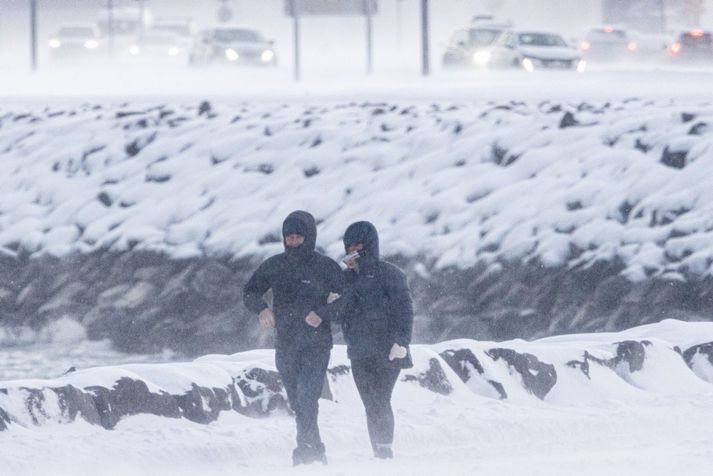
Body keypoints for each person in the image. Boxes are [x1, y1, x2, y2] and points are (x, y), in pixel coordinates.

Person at [243, 210, 343, 466]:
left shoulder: (325, 267)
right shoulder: (275, 265)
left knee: (307, 397)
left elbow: (348, 299)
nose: (294, 241)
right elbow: (250, 291)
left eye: (299, 236)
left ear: (309, 236)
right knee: (298, 401)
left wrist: (322, 313)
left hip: (317, 345)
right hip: (285, 344)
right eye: (289, 237)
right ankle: (315, 450)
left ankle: (305, 452)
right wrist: (263, 308)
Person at [339, 221, 414, 459]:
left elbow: (405, 310)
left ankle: (384, 449)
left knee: (380, 399)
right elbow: (341, 311)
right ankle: (379, 450)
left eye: (359, 244)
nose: (355, 249)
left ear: (370, 244)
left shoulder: (391, 274)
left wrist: (402, 341)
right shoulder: (346, 278)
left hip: (389, 349)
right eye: (350, 245)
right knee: (370, 403)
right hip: (359, 350)